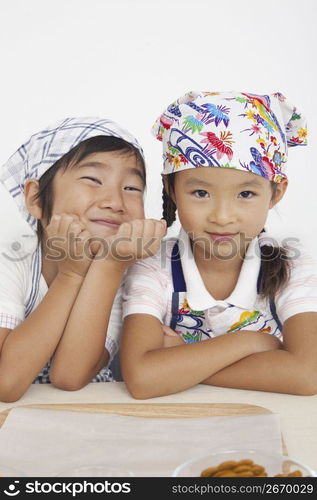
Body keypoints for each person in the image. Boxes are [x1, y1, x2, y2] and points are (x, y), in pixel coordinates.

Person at [120, 91, 317, 399]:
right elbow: (143, 378)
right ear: (171, 189)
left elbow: (308, 375)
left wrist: (183, 359)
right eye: (201, 193)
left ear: (276, 193)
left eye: (245, 194)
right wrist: (249, 342)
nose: (222, 217)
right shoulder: (153, 267)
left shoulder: (294, 266)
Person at [0, 117, 166, 402]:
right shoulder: (12, 263)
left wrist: (110, 265)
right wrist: (70, 276)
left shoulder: (130, 273)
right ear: (36, 198)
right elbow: (7, 382)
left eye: (131, 188)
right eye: (92, 180)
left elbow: (70, 376)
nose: (115, 202)